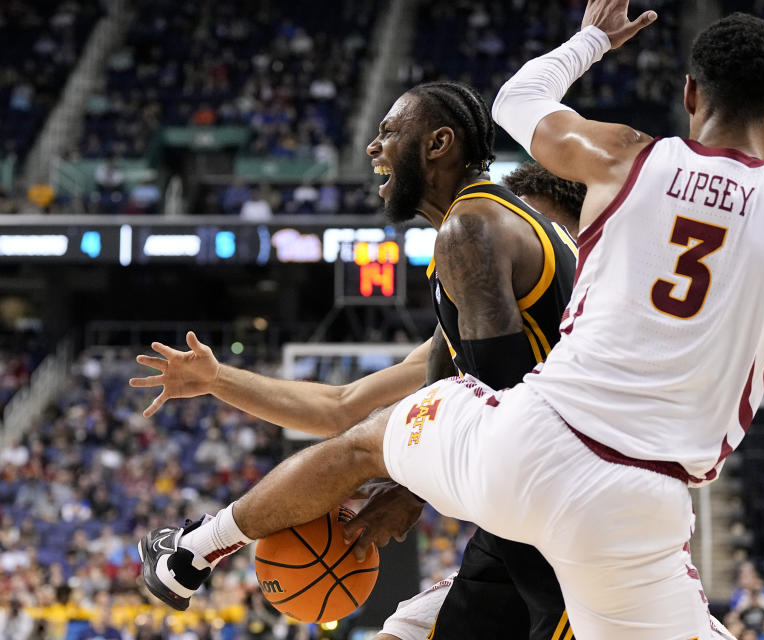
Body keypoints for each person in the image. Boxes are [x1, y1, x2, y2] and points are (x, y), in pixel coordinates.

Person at [140, 0, 764, 636]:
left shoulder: (622, 157)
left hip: (529, 442)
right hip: (640, 500)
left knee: (363, 446)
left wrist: (591, 39)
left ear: (689, 95)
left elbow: (518, 98)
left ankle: (192, 551)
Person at [137, 79, 584, 640]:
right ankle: (195, 549)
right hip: (521, 520)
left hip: (566, 518)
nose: (373, 149)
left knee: (373, 442)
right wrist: (217, 378)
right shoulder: (473, 245)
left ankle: (196, 549)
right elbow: (348, 405)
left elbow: (502, 411)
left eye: (389, 132)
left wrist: (411, 484)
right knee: (398, 623)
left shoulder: (474, 229)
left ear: (439, 143)